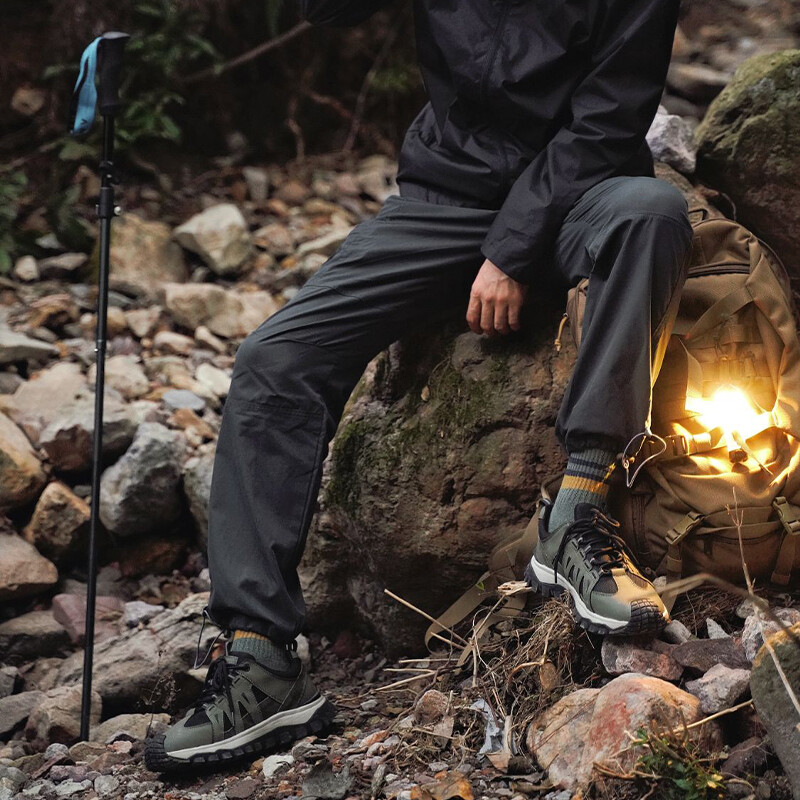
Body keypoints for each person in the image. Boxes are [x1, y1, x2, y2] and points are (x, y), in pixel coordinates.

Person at [145, 0, 693, 772]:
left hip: (584, 196)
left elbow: (610, 120)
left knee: (653, 211)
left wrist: (509, 251)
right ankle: (259, 656)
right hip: (446, 200)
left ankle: (576, 516)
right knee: (275, 360)